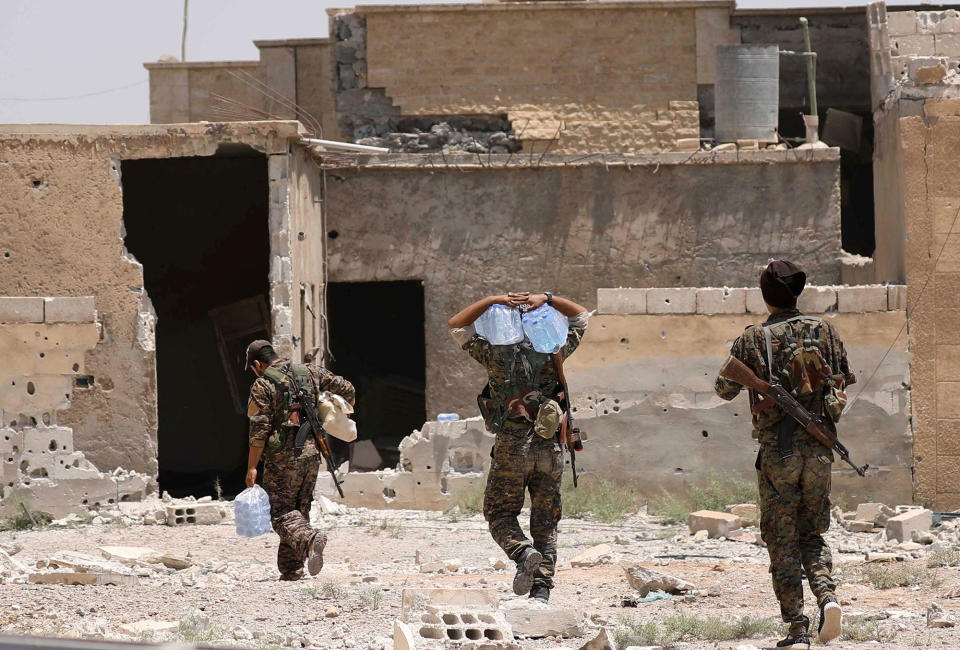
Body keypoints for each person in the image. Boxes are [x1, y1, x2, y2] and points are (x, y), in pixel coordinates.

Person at [714, 261, 853, 648]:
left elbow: (723, 389)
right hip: (820, 449)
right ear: (798, 292)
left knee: (781, 539)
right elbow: (841, 381)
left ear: (764, 294)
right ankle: (828, 598)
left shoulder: (754, 338)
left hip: (779, 454)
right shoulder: (825, 330)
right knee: (812, 533)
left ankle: (797, 627)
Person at [449, 291, 589, 604]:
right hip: (549, 448)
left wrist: (491, 300)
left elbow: (457, 326)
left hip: (512, 447)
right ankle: (541, 592)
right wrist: (548, 299)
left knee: (499, 513)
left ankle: (522, 552)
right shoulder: (554, 349)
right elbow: (581, 316)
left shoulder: (494, 353)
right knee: (546, 522)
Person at [245, 340, 356, 581]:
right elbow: (347, 389)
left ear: (257, 364)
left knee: (280, 513)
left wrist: (252, 466)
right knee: (299, 511)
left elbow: (259, 430)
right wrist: (336, 409)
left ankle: (310, 540)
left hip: (283, 458)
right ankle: (291, 569)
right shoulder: (311, 371)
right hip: (312, 454)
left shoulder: (262, 384)